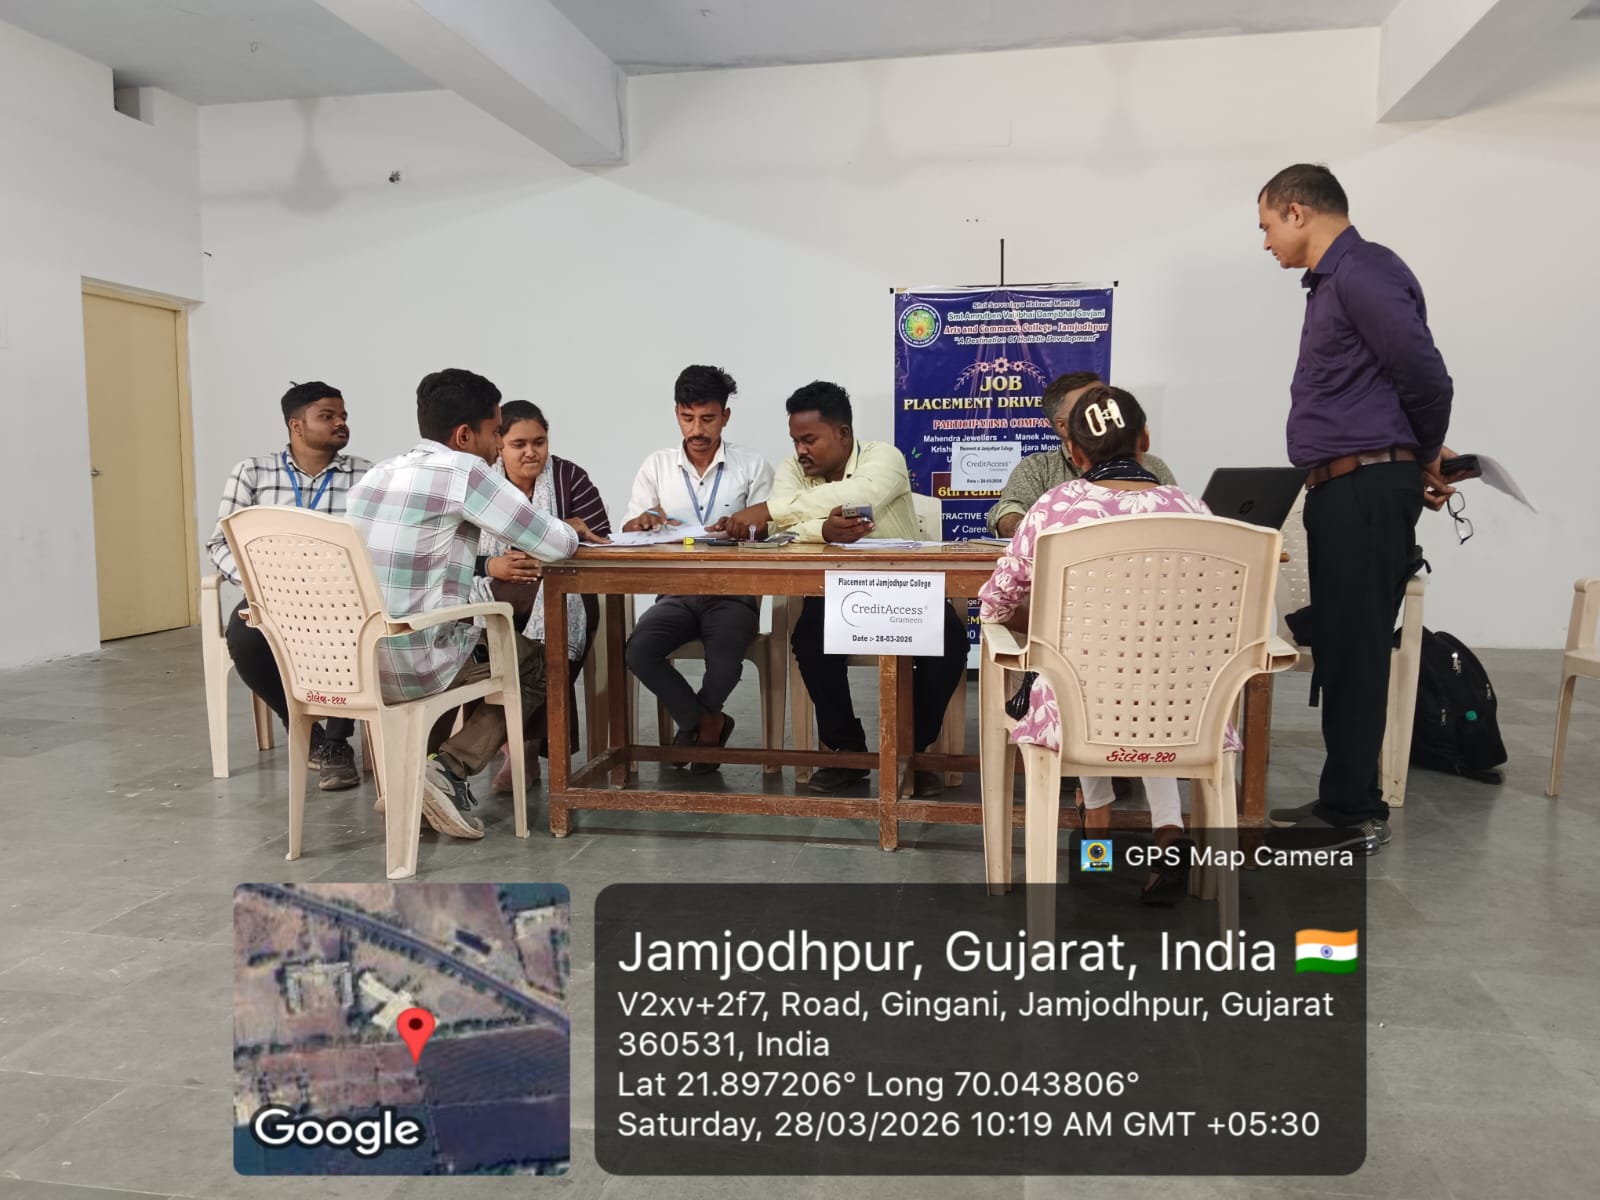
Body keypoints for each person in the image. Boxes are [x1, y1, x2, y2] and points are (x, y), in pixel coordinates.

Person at [1256, 163, 1455, 853]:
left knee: (1360, 650)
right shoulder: (1333, 282)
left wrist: (1421, 453)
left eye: (1267, 225)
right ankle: (1342, 798)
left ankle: (1354, 815)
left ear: (1298, 211)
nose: (1265, 242)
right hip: (1346, 485)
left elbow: (1426, 374)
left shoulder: (1363, 271)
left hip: (1366, 486)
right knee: (1342, 648)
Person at [978, 385, 1239, 901]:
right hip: (1183, 707)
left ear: (1075, 453)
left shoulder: (1054, 509)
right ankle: (1167, 834)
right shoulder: (1193, 510)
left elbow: (995, 605)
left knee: (1071, 666)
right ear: (1145, 440)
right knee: (1147, 671)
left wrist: (1045, 621)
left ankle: (1096, 841)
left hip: (1078, 706)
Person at [346, 369, 582, 838]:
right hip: (417, 662)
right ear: (463, 436)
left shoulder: (377, 474)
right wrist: (570, 528)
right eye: (495, 432)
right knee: (541, 662)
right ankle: (447, 771)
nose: (497, 446)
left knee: (484, 636)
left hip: (355, 660)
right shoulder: (464, 471)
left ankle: (415, 778)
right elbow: (556, 544)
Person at [725, 381, 966, 797]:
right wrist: (823, 529)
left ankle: (912, 749)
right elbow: (783, 530)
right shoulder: (792, 470)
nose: (800, 450)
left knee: (949, 644)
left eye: (809, 439)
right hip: (835, 590)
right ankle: (846, 750)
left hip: (906, 588)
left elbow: (859, 493)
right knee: (810, 639)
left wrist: (773, 510)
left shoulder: (884, 457)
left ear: (843, 433)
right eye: (795, 440)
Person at [206, 382, 371, 791]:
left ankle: (336, 744)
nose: (340, 423)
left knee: (354, 634)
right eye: (327, 416)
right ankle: (302, 725)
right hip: (271, 595)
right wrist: (260, 585)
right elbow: (220, 543)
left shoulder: (366, 475)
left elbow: (376, 542)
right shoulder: (253, 472)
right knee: (245, 635)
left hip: (340, 595)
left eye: (343, 415)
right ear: (296, 425)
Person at [621, 365, 774, 773]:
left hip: (734, 592)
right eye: (688, 418)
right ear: (677, 413)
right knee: (639, 650)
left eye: (708, 418)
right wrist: (643, 523)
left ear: (726, 416)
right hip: (676, 591)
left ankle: (696, 724)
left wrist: (747, 526)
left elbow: (773, 530)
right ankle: (707, 724)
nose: (697, 429)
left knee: (725, 662)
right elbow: (629, 529)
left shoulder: (752, 465)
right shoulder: (656, 466)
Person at [471, 401, 610, 794]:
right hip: (493, 588)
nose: (531, 452)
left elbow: (600, 539)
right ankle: (515, 748)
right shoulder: (480, 485)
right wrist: (495, 564)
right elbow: (456, 554)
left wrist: (551, 544)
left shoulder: (569, 477)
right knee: (481, 625)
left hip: (563, 588)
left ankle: (523, 750)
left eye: (539, 442)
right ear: (499, 444)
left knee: (549, 621)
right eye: (519, 444)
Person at [985, 371, 1177, 539]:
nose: (1103, 412)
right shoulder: (1038, 469)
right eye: (1087, 408)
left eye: (1106, 402)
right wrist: (1025, 530)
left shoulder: (1051, 507)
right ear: (1063, 427)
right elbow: (1007, 510)